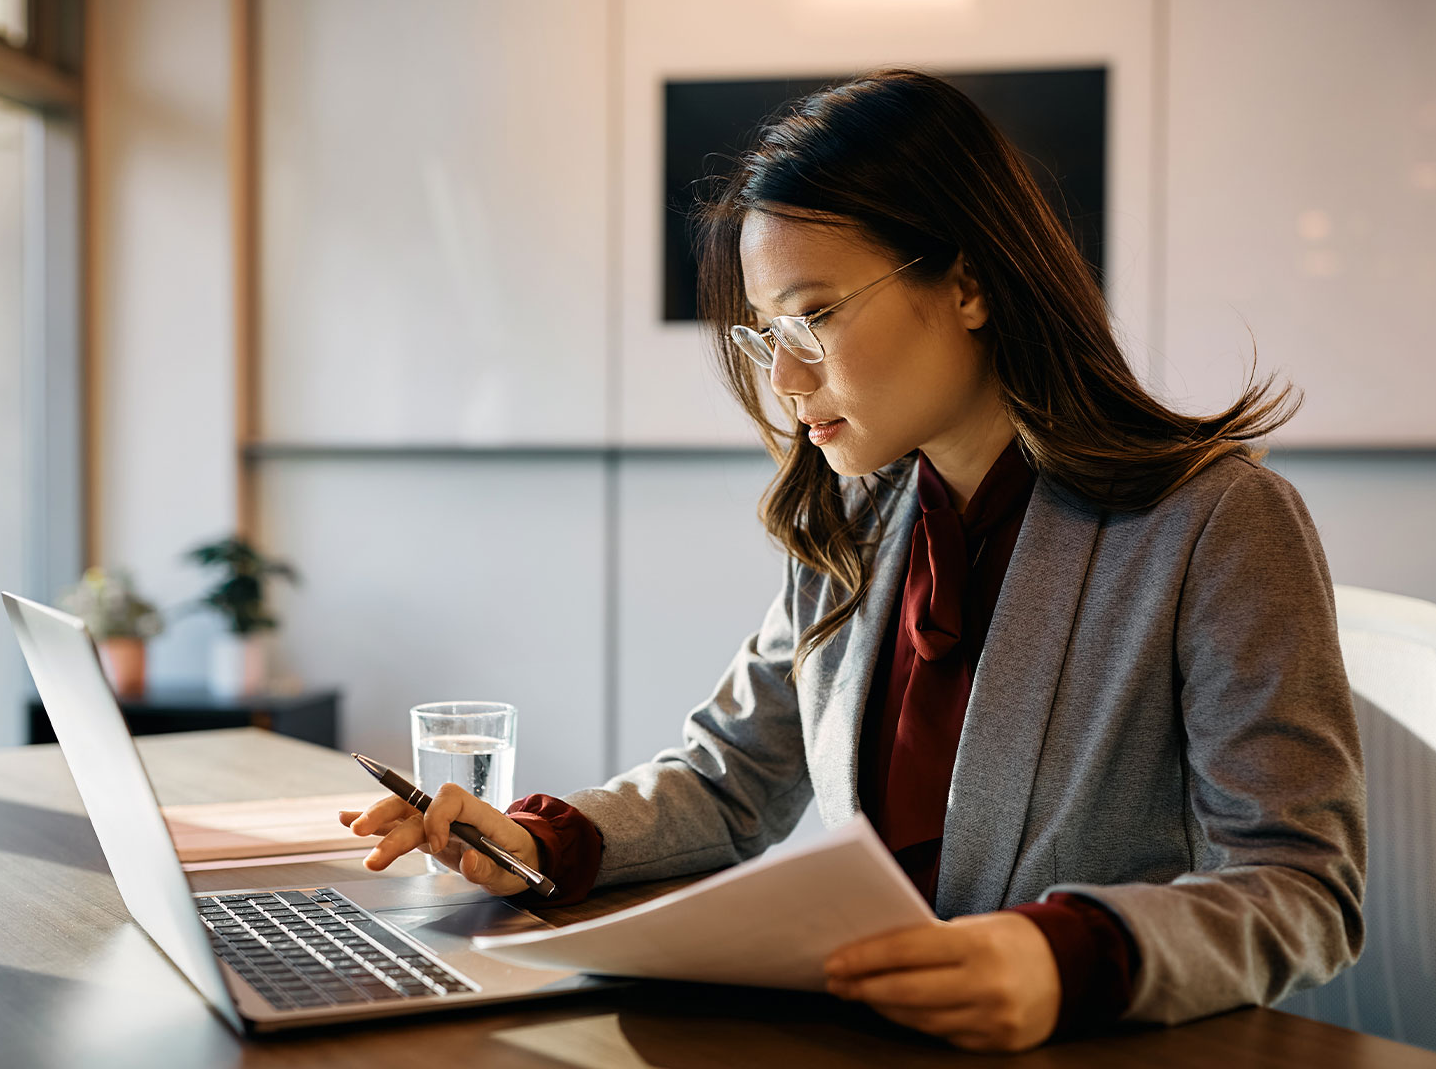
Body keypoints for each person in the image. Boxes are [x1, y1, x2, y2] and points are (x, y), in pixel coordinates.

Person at [339, 67, 1365, 1054]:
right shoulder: (858, 518)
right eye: (766, 333)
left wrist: (1065, 956)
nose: (784, 377)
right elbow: (731, 781)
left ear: (967, 283)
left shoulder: (1218, 523)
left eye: (816, 316)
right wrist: (535, 844)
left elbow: (1301, 884)